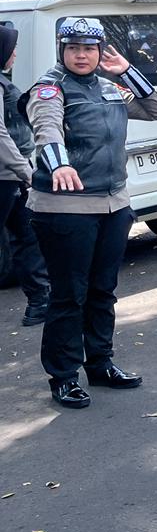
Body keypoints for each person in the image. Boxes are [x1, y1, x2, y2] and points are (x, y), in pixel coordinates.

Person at [24, 17, 157, 409]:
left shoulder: (108, 87)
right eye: (73, 48)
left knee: (103, 291)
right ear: (62, 51)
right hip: (65, 208)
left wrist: (127, 71)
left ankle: (100, 364)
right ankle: (63, 376)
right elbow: (47, 130)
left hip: (113, 204)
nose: (81, 55)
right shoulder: (50, 88)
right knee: (70, 295)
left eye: (89, 48)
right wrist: (59, 165)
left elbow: (155, 109)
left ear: (100, 51)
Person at [0, 25, 49, 327]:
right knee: (24, 237)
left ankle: (40, 303)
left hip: (12, 176)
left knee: (27, 237)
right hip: (7, 176)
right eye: (11, 48)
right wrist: (25, 171)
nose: (15, 53)